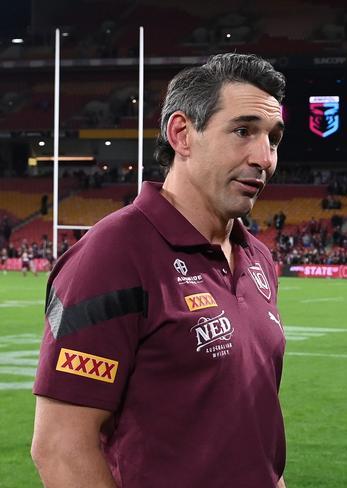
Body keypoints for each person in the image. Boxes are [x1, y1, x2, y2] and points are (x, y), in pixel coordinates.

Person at [31, 53, 288, 487]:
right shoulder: (113, 254)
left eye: (274, 139)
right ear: (181, 134)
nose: (264, 157)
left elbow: (253, 441)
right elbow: (59, 447)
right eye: (243, 131)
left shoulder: (257, 257)